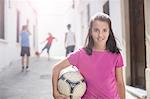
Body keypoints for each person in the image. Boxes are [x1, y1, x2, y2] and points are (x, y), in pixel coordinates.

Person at [52, 12, 126, 99]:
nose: (100, 35)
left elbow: (120, 83)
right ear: (90, 31)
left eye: (104, 30)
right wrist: (55, 93)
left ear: (110, 31)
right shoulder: (81, 54)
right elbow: (56, 68)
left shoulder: (116, 55)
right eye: (96, 30)